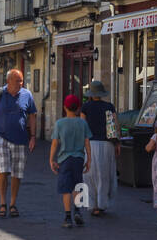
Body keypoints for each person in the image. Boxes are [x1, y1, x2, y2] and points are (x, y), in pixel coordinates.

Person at [0, 69, 38, 218]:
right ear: (8, 81)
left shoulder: (27, 95)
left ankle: (13, 203)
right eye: (17, 80)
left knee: (17, 173)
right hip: (1, 138)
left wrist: (33, 136)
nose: (20, 83)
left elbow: (33, 116)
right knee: (3, 170)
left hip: (21, 139)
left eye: (21, 80)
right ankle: (3, 202)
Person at [50, 94, 92, 229]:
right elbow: (87, 142)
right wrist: (89, 159)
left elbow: (55, 143)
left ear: (64, 107)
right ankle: (78, 211)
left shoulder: (59, 123)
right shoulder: (83, 123)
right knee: (78, 185)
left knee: (66, 188)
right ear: (78, 108)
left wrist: (51, 159)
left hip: (64, 159)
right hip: (79, 158)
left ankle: (68, 217)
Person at [80, 80, 118, 216]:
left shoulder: (85, 107)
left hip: (90, 144)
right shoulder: (109, 107)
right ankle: (102, 204)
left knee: (89, 175)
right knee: (104, 175)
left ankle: (92, 204)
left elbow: (82, 127)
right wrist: (117, 143)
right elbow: (113, 129)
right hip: (106, 144)